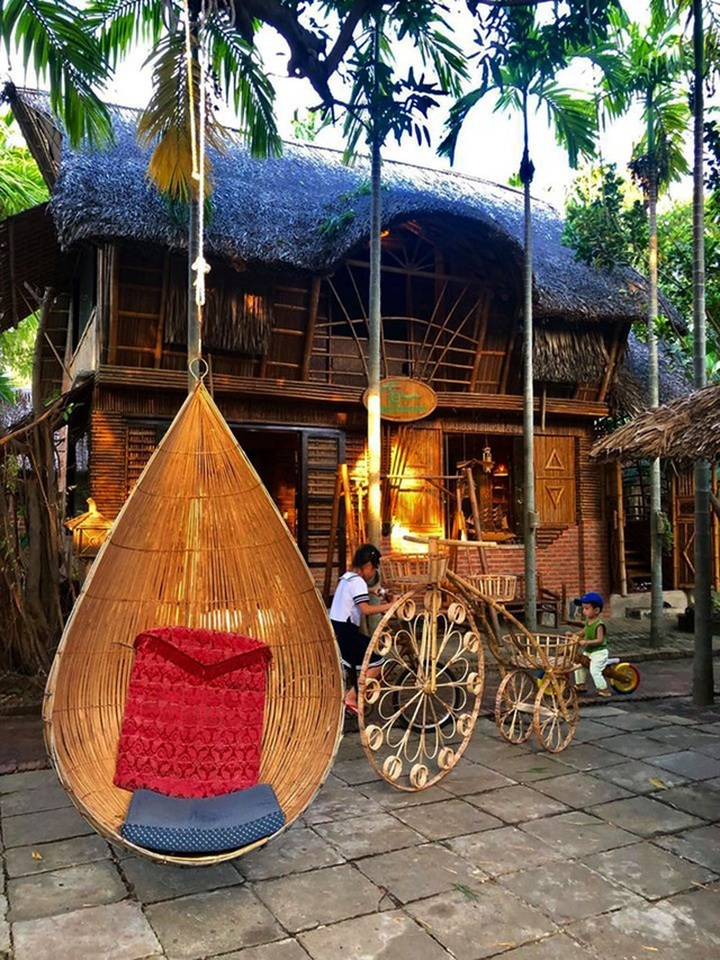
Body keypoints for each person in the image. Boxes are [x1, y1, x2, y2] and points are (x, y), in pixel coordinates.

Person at [329, 543, 395, 714]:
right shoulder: (358, 582)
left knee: (368, 650)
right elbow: (365, 609)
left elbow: (358, 593)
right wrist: (391, 606)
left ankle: (355, 692)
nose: (374, 573)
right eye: (374, 569)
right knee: (377, 661)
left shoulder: (347, 578)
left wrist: (374, 592)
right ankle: (351, 697)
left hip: (337, 630)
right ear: (368, 566)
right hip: (347, 634)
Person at [569, 591, 612, 697]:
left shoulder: (599, 625)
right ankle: (580, 684)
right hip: (589, 651)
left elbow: (600, 640)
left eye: (587, 608)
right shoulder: (588, 622)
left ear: (596, 610)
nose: (584, 611)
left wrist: (586, 642)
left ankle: (604, 689)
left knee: (594, 670)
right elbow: (584, 632)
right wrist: (573, 634)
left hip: (599, 652)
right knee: (578, 665)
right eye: (583, 608)